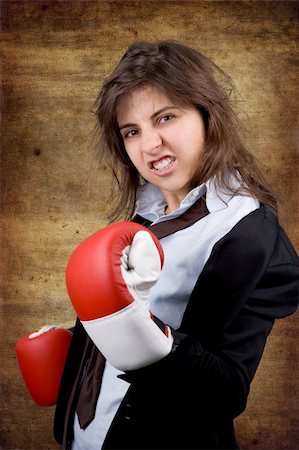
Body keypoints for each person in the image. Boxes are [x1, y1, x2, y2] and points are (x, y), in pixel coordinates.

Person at [41, 41, 299, 449]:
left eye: (165, 117)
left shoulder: (247, 233)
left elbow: (227, 390)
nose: (150, 145)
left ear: (206, 113)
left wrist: (148, 339)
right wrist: (82, 347)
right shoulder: (147, 210)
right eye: (132, 131)